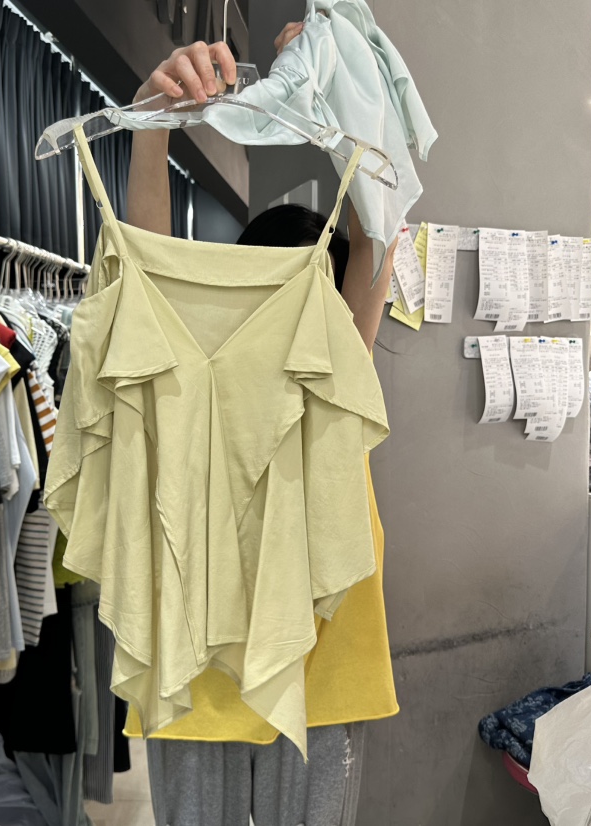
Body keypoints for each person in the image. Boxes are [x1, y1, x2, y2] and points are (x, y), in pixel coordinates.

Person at [124, 30, 398, 826]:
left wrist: (345, 81)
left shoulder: (341, 358)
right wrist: (150, 122)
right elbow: (146, 259)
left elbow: (377, 231)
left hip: (312, 670)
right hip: (205, 672)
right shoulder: (190, 362)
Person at [127, 27, 396, 354]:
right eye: (277, 288)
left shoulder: (342, 359)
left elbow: (374, 243)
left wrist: (349, 67)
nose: (291, 314)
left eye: (314, 294)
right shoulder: (197, 357)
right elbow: (150, 267)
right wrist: (152, 117)